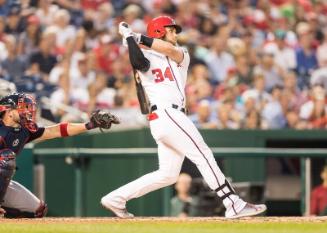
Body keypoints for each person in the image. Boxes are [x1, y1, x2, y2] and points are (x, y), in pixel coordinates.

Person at [101, 16, 266, 219]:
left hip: (169, 117)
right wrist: (128, 39)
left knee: (168, 175)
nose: (175, 34)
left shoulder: (182, 55)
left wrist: (136, 36)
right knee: (202, 153)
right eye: (171, 30)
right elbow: (138, 62)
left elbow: (170, 50)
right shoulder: (144, 56)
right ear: (160, 32)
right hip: (166, 114)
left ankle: (116, 198)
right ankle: (232, 202)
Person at [0, 92, 119, 218]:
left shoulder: (24, 130)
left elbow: (55, 130)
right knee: (6, 158)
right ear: (9, 112)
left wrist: (89, 125)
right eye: (23, 108)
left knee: (37, 210)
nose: (28, 112)